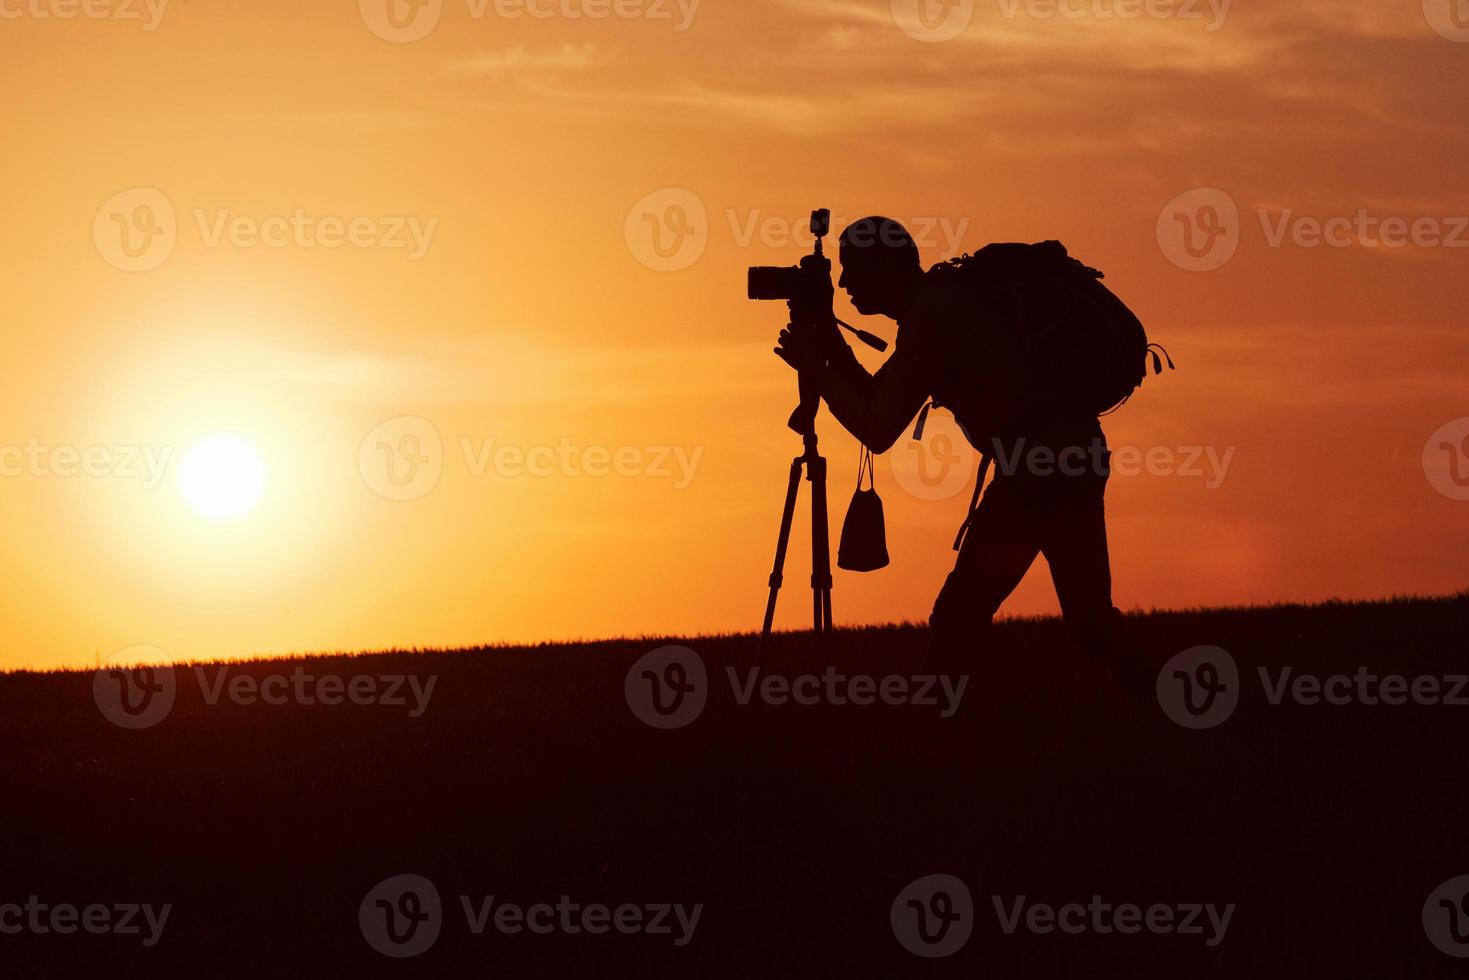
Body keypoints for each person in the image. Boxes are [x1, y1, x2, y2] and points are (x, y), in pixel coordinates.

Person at [775, 216, 1148, 690]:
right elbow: (877, 395)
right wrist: (828, 337)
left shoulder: (933, 318)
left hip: (1037, 469)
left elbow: (877, 428)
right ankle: (1162, 706)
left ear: (887, 267)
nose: (843, 282)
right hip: (1072, 453)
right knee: (1091, 623)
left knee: (960, 612)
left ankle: (932, 728)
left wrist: (820, 374)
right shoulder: (937, 306)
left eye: (852, 269)